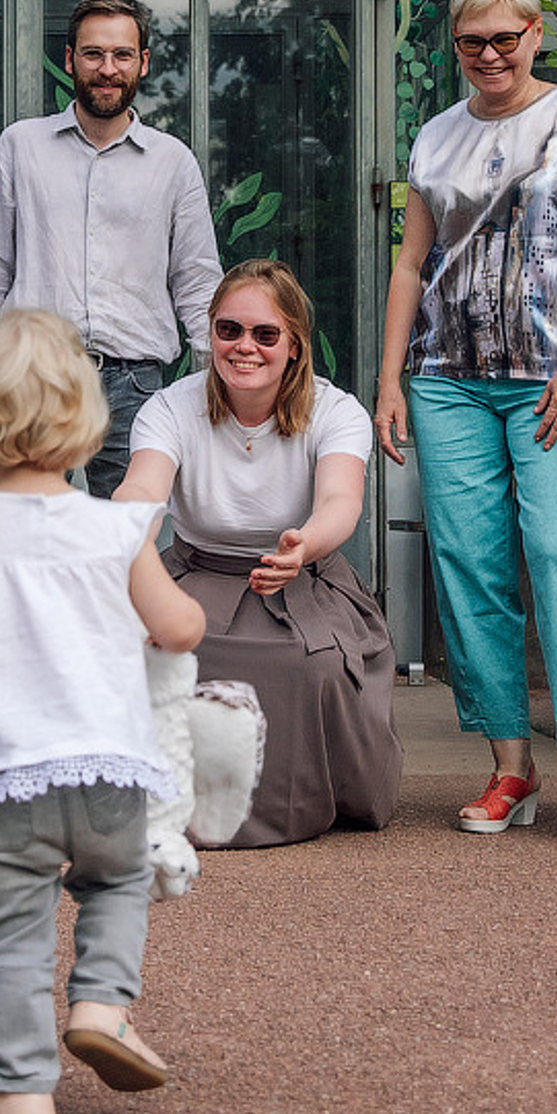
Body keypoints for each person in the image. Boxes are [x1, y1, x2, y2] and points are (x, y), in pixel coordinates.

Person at [0, 308, 205, 1114]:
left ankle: (19, 1090)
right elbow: (178, 627)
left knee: (12, 936)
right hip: (107, 764)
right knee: (117, 882)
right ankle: (103, 1001)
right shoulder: (115, 526)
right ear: (84, 417)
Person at [375, 0, 557, 849]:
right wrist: (390, 381)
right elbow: (412, 265)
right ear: (455, 47)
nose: (490, 55)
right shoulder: (435, 137)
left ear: (536, 34)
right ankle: (510, 764)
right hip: (449, 378)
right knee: (468, 560)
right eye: (472, 42)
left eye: (506, 37)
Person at [117, 259, 402, 846]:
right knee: (147, 654)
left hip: (305, 579)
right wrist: (125, 539)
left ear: (294, 344)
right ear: (211, 335)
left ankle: (305, 803)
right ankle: (161, 803)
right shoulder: (171, 406)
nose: (244, 347)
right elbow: (143, 488)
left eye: (264, 334)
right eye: (229, 330)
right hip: (197, 573)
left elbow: (341, 500)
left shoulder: (335, 409)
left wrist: (305, 544)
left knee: (312, 665)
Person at [0, 0, 221, 496]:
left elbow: (196, 283)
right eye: (93, 54)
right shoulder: (21, 146)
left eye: (122, 55)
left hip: (137, 387)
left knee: (124, 547)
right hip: (36, 374)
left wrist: (218, 388)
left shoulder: (173, 162)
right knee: (33, 543)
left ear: (143, 63)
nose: (108, 69)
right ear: (70, 59)